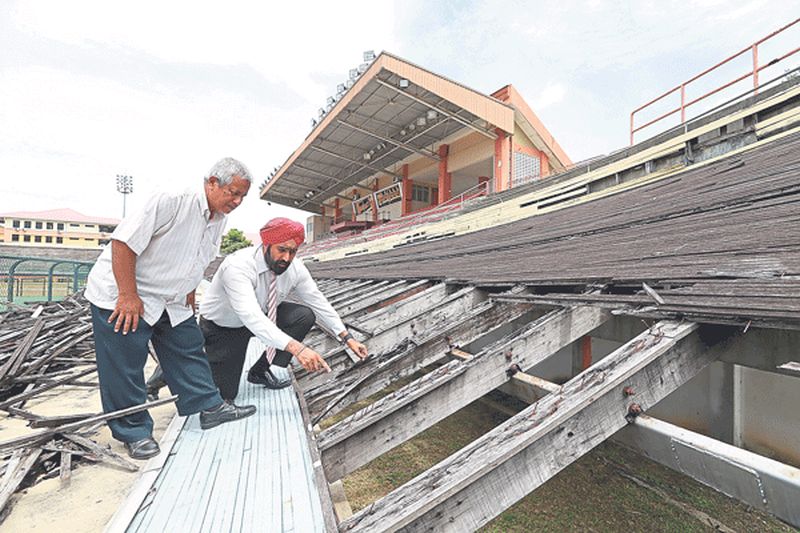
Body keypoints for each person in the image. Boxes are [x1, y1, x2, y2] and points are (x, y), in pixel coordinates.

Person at [84, 157, 257, 460]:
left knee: (188, 346)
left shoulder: (219, 217)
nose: (237, 201)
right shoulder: (172, 199)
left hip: (170, 296)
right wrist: (127, 294)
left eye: (242, 196)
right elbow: (123, 243)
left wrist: (189, 287)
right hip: (126, 292)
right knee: (125, 365)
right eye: (233, 193)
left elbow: (199, 255)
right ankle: (134, 432)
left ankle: (209, 407)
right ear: (212, 183)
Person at [197, 217, 369, 401]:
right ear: (266, 244)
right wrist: (298, 349)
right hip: (223, 326)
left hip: (261, 314)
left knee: (303, 316)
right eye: (282, 250)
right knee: (225, 396)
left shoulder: (295, 268)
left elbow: (317, 301)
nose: (287, 258)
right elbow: (250, 315)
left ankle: (260, 371)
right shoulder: (238, 266)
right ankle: (189, 375)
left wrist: (347, 337)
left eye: (293, 251)